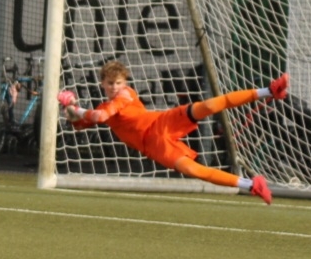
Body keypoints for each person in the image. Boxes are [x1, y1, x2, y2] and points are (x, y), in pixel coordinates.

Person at [60, 60, 284, 204]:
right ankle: (252, 185)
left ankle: (268, 91)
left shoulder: (125, 95)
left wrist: (76, 109)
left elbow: (99, 117)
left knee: (206, 106)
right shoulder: (103, 106)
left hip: (161, 122)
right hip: (154, 145)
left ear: (125, 83)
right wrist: (69, 108)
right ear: (102, 83)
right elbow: (81, 122)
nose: (114, 87)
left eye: (118, 83)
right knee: (193, 170)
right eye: (110, 83)